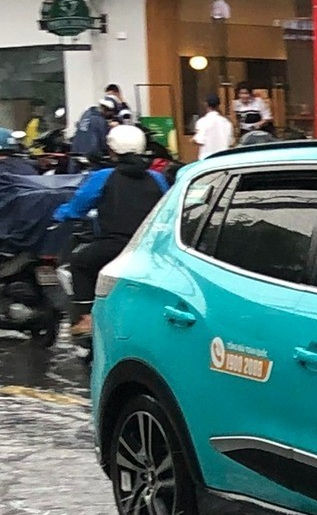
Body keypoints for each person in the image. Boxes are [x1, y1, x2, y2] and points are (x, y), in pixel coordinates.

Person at [55, 124, 168, 342]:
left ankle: (86, 318)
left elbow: (78, 207)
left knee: (79, 263)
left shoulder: (104, 176)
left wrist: (60, 214)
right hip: (150, 249)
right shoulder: (157, 178)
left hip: (115, 246)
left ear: (113, 150)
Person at [69, 95, 114, 164]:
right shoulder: (100, 121)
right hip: (90, 157)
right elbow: (104, 141)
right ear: (107, 110)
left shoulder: (86, 114)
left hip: (76, 151)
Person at [193, 94, 233, 159]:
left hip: (207, 158)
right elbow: (231, 142)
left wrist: (193, 139)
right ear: (218, 105)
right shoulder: (226, 122)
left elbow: (199, 140)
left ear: (206, 104)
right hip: (223, 157)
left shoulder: (202, 122)